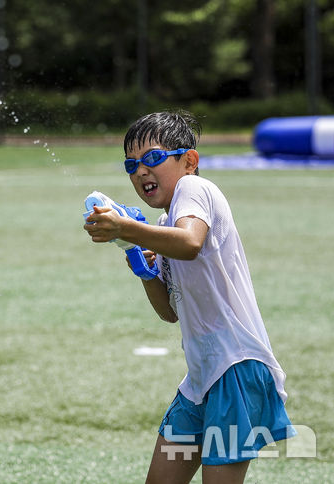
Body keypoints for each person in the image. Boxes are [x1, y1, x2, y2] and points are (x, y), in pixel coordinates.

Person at [83, 110, 294, 484]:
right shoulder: (166, 227)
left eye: (152, 159)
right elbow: (169, 311)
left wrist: (131, 229)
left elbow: (192, 243)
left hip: (237, 369)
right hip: (200, 379)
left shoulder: (194, 189)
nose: (141, 171)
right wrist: (143, 268)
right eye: (132, 164)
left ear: (189, 161)